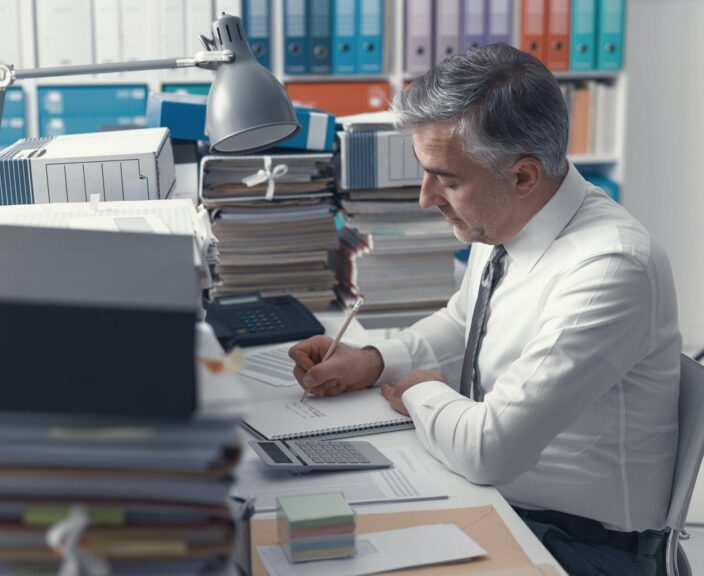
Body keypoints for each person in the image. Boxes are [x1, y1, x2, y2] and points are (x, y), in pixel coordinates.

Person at [289, 44, 680, 576]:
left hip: (579, 548)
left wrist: (421, 389)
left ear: (522, 176)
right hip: (502, 505)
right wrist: (374, 361)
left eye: (446, 179)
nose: (427, 197)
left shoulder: (609, 269)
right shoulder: (505, 219)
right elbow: (464, 322)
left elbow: (489, 449)